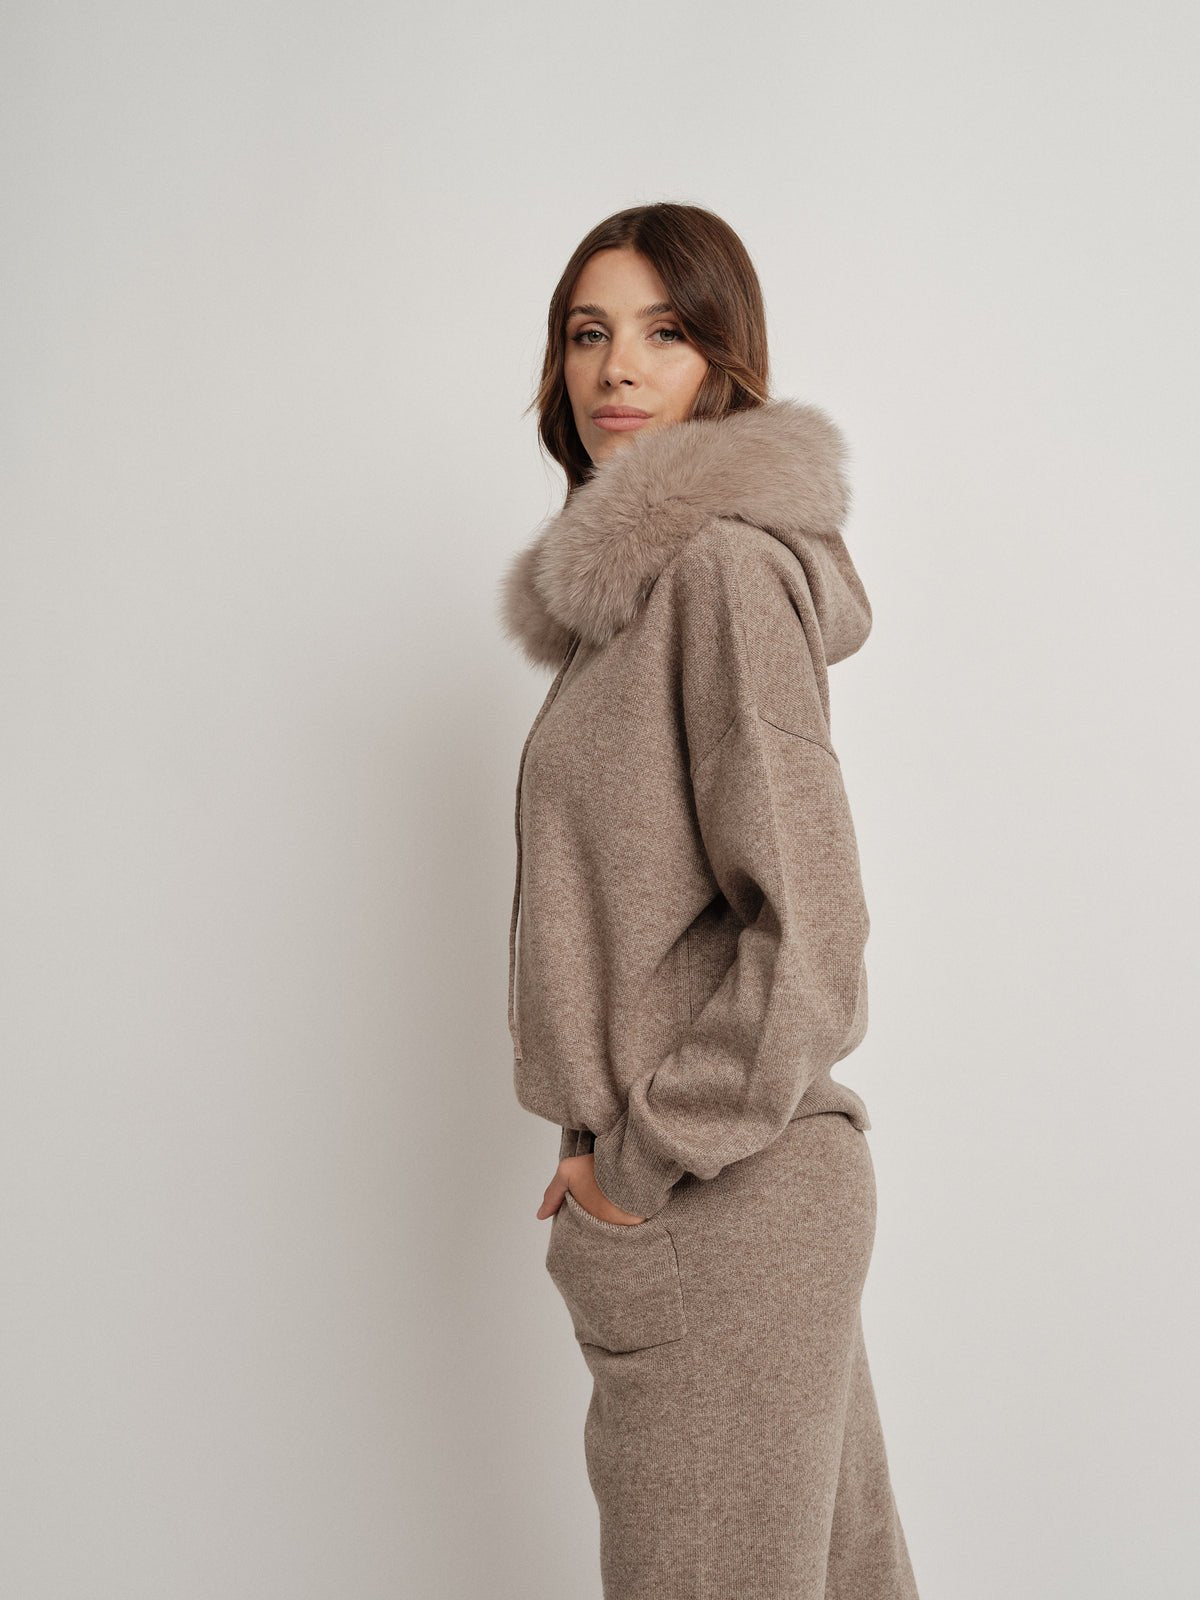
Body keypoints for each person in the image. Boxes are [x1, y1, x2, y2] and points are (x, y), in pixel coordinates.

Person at [498, 202, 920, 1600]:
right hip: (721, 1200)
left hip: (724, 1205)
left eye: (664, 333)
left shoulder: (720, 574)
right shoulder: (633, 607)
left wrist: (639, 1163)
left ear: (723, 366)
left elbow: (816, 937)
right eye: (588, 333)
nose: (616, 367)